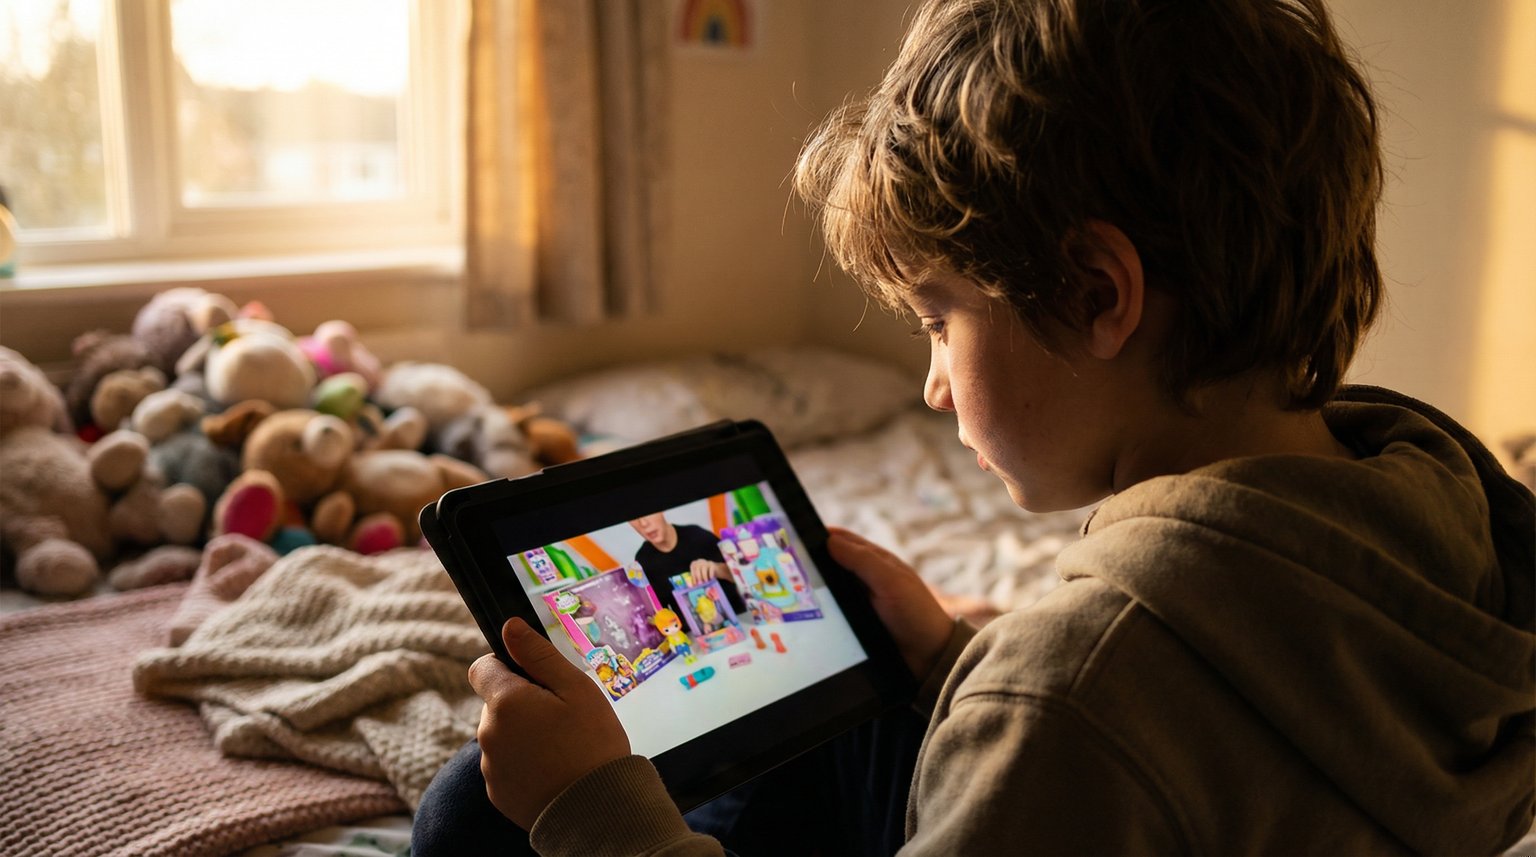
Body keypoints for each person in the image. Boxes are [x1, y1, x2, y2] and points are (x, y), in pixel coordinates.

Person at [413, 0, 1536, 853]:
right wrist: (956, 658)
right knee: (822, 718)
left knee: (480, 806)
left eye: (938, 319)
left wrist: (596, 808)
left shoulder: (1063, 691)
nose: (936, 387)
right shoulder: (1439, 483)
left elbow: (1097, 722)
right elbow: (1223, 740)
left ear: (1100, 295)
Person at [628, 512, 748, 616]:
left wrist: (718, 569)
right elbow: (659, 615)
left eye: (647, 513)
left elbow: (746, 579)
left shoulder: (698, 536)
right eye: (633, 517)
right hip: (691, 638)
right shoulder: (642, 561)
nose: (643, 523)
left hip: (739, 623)